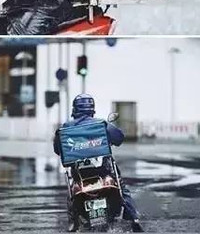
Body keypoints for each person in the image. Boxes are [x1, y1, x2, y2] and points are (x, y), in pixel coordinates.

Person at [53, 94, 144, 233]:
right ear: (92, 108)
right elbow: (119, 138)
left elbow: (58, 149)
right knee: (122, 189)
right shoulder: (101, 124)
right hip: (103, 171)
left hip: (79, 175)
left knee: (71, 194)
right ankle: (134, 218)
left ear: (75, 109)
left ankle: (73, 223)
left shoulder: (65, 128)